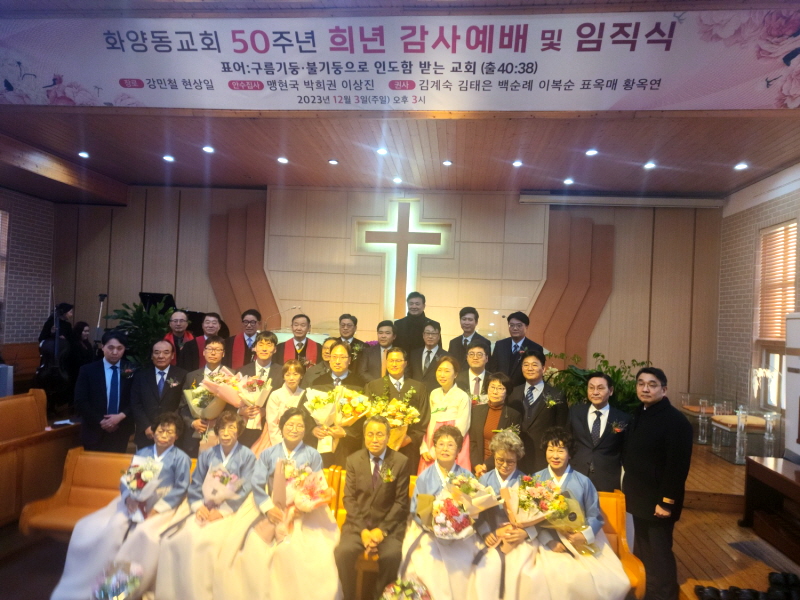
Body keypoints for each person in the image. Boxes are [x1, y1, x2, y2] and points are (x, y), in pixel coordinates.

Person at [51, 413, 190, 600]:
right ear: (153, 432)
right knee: (113, 526)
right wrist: (129, 498)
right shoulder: (143, 453)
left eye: (170, 432)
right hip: (136, 501)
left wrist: (159, 509)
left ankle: (122, 588)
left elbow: (181, 488)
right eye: (161, 430)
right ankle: (97, 580)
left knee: (144, 534)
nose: (164, 435)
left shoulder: (181, 458)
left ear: (177, 435)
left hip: (162, 505)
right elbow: (129, 481)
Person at [224, 407, 341, 600]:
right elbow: (257, 484)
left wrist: (305, 506)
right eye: (290, 425)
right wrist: (268, 508)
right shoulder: (268, 453)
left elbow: (318, 486)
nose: (294, 429)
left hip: (303, 514)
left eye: (299, 426)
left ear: (305, 429)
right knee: (253, 546)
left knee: (301, 552)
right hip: (272, 509)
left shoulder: (313, 455)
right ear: (282, 426)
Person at [156, 411, 257, 600]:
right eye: (222, 428)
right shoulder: (208, 454)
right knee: (178, 539)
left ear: (239, 431)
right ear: (217, 431)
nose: (226, 433)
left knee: (208, 543)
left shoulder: (248, 456)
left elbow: (246, 489)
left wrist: (223, 511)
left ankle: (203, 593)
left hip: (229, 510)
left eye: (231, 428)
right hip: (204, 506)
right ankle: (177, 592)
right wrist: (198, 506)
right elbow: (196, 484)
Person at [534, 427, 630, 600]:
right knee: (557, 576)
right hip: (549, 540)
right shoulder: (536, 480)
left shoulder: (583, 481)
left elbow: (595, 516)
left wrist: (583, 536)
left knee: (609, 580)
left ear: (570, 454)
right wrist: (549, 540)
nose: (555, 456)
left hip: (579, 537)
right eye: (551, 450)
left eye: (561, 450)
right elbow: (531, 519)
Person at [623, 367, 692, 600]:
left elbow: (677, 467)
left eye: (652, 385)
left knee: (659, 552)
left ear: (664, 389)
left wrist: (666, 502)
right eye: (641, 383)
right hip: (639, 497)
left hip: (658, 501)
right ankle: (647, 592)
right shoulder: (639, 413)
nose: (645, 388)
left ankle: (664, 595)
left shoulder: (676, 421)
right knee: (643, 549)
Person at [335, 415, 410, 600]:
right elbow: (349, 499)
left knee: (392, 556)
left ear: (388, 436)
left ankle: (380, 597)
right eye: (370, 434)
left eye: (379, 434)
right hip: (357, 526)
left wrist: (381, 531)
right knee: (343, 552)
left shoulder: (400, 461)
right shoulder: (353, 460)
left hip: (389, 527)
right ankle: (350, 596)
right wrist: (363, 531)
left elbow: (401, 503)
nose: (374, 439)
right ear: (364, 436)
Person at [402, 425, 477, 600]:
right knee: (429, 561)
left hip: (460, 534)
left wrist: (457, 525)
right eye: (441, 444)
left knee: (464, 560)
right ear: (434, 448)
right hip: (427, 531)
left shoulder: (467, 477)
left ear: (458, 450)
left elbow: (472, 509)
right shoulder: (425, 476)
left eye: (450, 445)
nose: (445, 449)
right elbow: (418, 511)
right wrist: (435, 527)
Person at [469, 429, 545, 600]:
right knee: (485, 567)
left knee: (521, 569)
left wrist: (525, 533)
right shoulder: (483, 480)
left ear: (518, 458)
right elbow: (475, 514)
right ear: (494, 456)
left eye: (510, 461)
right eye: (499, 460)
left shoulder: (526, 482)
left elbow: (538, 518)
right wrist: (485, 532)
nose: (504, 465)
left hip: (518, 538)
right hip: (490, 535)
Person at [364, 347, 430, 468]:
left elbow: (424, 418)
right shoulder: (373, 386)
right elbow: (368, 418)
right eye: (391, 361)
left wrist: (410, 438)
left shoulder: (418, 388)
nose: (394, 364)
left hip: (409, 447)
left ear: (405, 363)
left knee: (406, 478)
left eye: (398, 361)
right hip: (381, 447)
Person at [306, 340, 366, 467]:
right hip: (321, 442)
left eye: (342, 357)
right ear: (329, 359)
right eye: (334, 357)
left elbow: (364, 417)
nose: (337, 361)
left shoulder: (360, 385)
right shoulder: (317, 383)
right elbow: (306, 412)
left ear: (349, 360)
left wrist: (346, 432)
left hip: (348, 446)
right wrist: (313, 429)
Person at [507, 349, 568, 473]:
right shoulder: (513, 393)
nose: (530, 368)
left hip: (543, 456)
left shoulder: (557, 395)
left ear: (543, 369)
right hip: (516, 456)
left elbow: (562, 428)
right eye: (526, 365)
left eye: (534, 365)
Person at [569, 372, 630, 492]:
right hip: (577, 475)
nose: (595, 392)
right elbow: (567, 442)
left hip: (607, 479)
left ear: (610, 391)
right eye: (591, 388)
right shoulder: (575, 412)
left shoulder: (622, 418)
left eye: (600, 388)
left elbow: (625, 452)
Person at [74, 330, 134, 452]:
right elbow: (80, 401)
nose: (115, 352)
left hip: (121, 429)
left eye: (119, 348)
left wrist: (120, 417)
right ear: (103, 347)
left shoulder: (131, 369)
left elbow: (136, 398)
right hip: (94, 429)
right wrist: (101, 421)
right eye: (110, 348)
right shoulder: (88, 370)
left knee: (117, 463)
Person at [130, 340, 187, 450]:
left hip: (172, 432)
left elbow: (183, 403)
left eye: (166, 352)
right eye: (156, 352)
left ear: (172, 355)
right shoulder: (141, 375)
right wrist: (146, 426)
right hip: (146, 433)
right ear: (152, 355)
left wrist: (169, 426)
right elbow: (135, 403)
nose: (161, 356)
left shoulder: (182, 375)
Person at [177, 335, 227, 458]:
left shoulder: (230, 375)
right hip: (194, 434)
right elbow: (183, 406)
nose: (213, 353)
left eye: (217, 350)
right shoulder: (191, 376)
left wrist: (218, 422)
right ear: (204, 352)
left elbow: (234, 407)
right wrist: (193, 422)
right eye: (209, 349)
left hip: (221, 434)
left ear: (223, 353)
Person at [418, 356, 471, 473]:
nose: (442, 375)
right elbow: (429, 421)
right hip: (432, 438)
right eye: (439, 370)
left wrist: (438, 449)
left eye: (447, 371)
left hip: (454, 441)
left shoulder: (462, 396)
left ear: (455, 374)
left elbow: (462, 427)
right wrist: (425, 446)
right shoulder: (434, 393)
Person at [236, 330, 284, 448]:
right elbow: (232, 402)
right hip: (245, 429)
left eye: (269, 345)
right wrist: (241, 411)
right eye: (261, 344)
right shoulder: (242, 371)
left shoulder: (282, 372)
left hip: (271, 429)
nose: (264, 349)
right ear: (255, 348)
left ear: (275, 349)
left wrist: (266, 411)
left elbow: (285, 401)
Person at [469, 372, 522, 477]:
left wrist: (486, 466)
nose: (495, 392)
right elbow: (472, 441)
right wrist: (477, 465)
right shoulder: (477, 411)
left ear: (507, 392)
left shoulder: (513, 415)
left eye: (500, 388)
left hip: (501, 467)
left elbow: (510, 448)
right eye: (492, 387)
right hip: (477, 467)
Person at [254, 359, 307, 452]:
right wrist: (282, 445)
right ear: (283, 377)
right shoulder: (276, 395)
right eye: (287, 375)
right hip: (276, 437)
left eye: (295, 374)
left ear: (301, 375)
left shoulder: (305, 394)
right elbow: (272, 423)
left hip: (299, 438)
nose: (291, 378)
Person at [489, 311, 544, 388]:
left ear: (526, 327)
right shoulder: (500, 345)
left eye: (519, 325)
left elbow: (537, 373)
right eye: (511, 325)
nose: (515, 328)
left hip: (522, 390)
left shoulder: (535, 348)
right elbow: (493, 369)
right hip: (500, 388)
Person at [409, 319, 450, 390]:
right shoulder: (414, 354)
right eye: (427, 333)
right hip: (415, 392)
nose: (430, 336)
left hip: (436, 394)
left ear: (438, 336)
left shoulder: (446, 356)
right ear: (423, 335)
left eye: (433, 333)